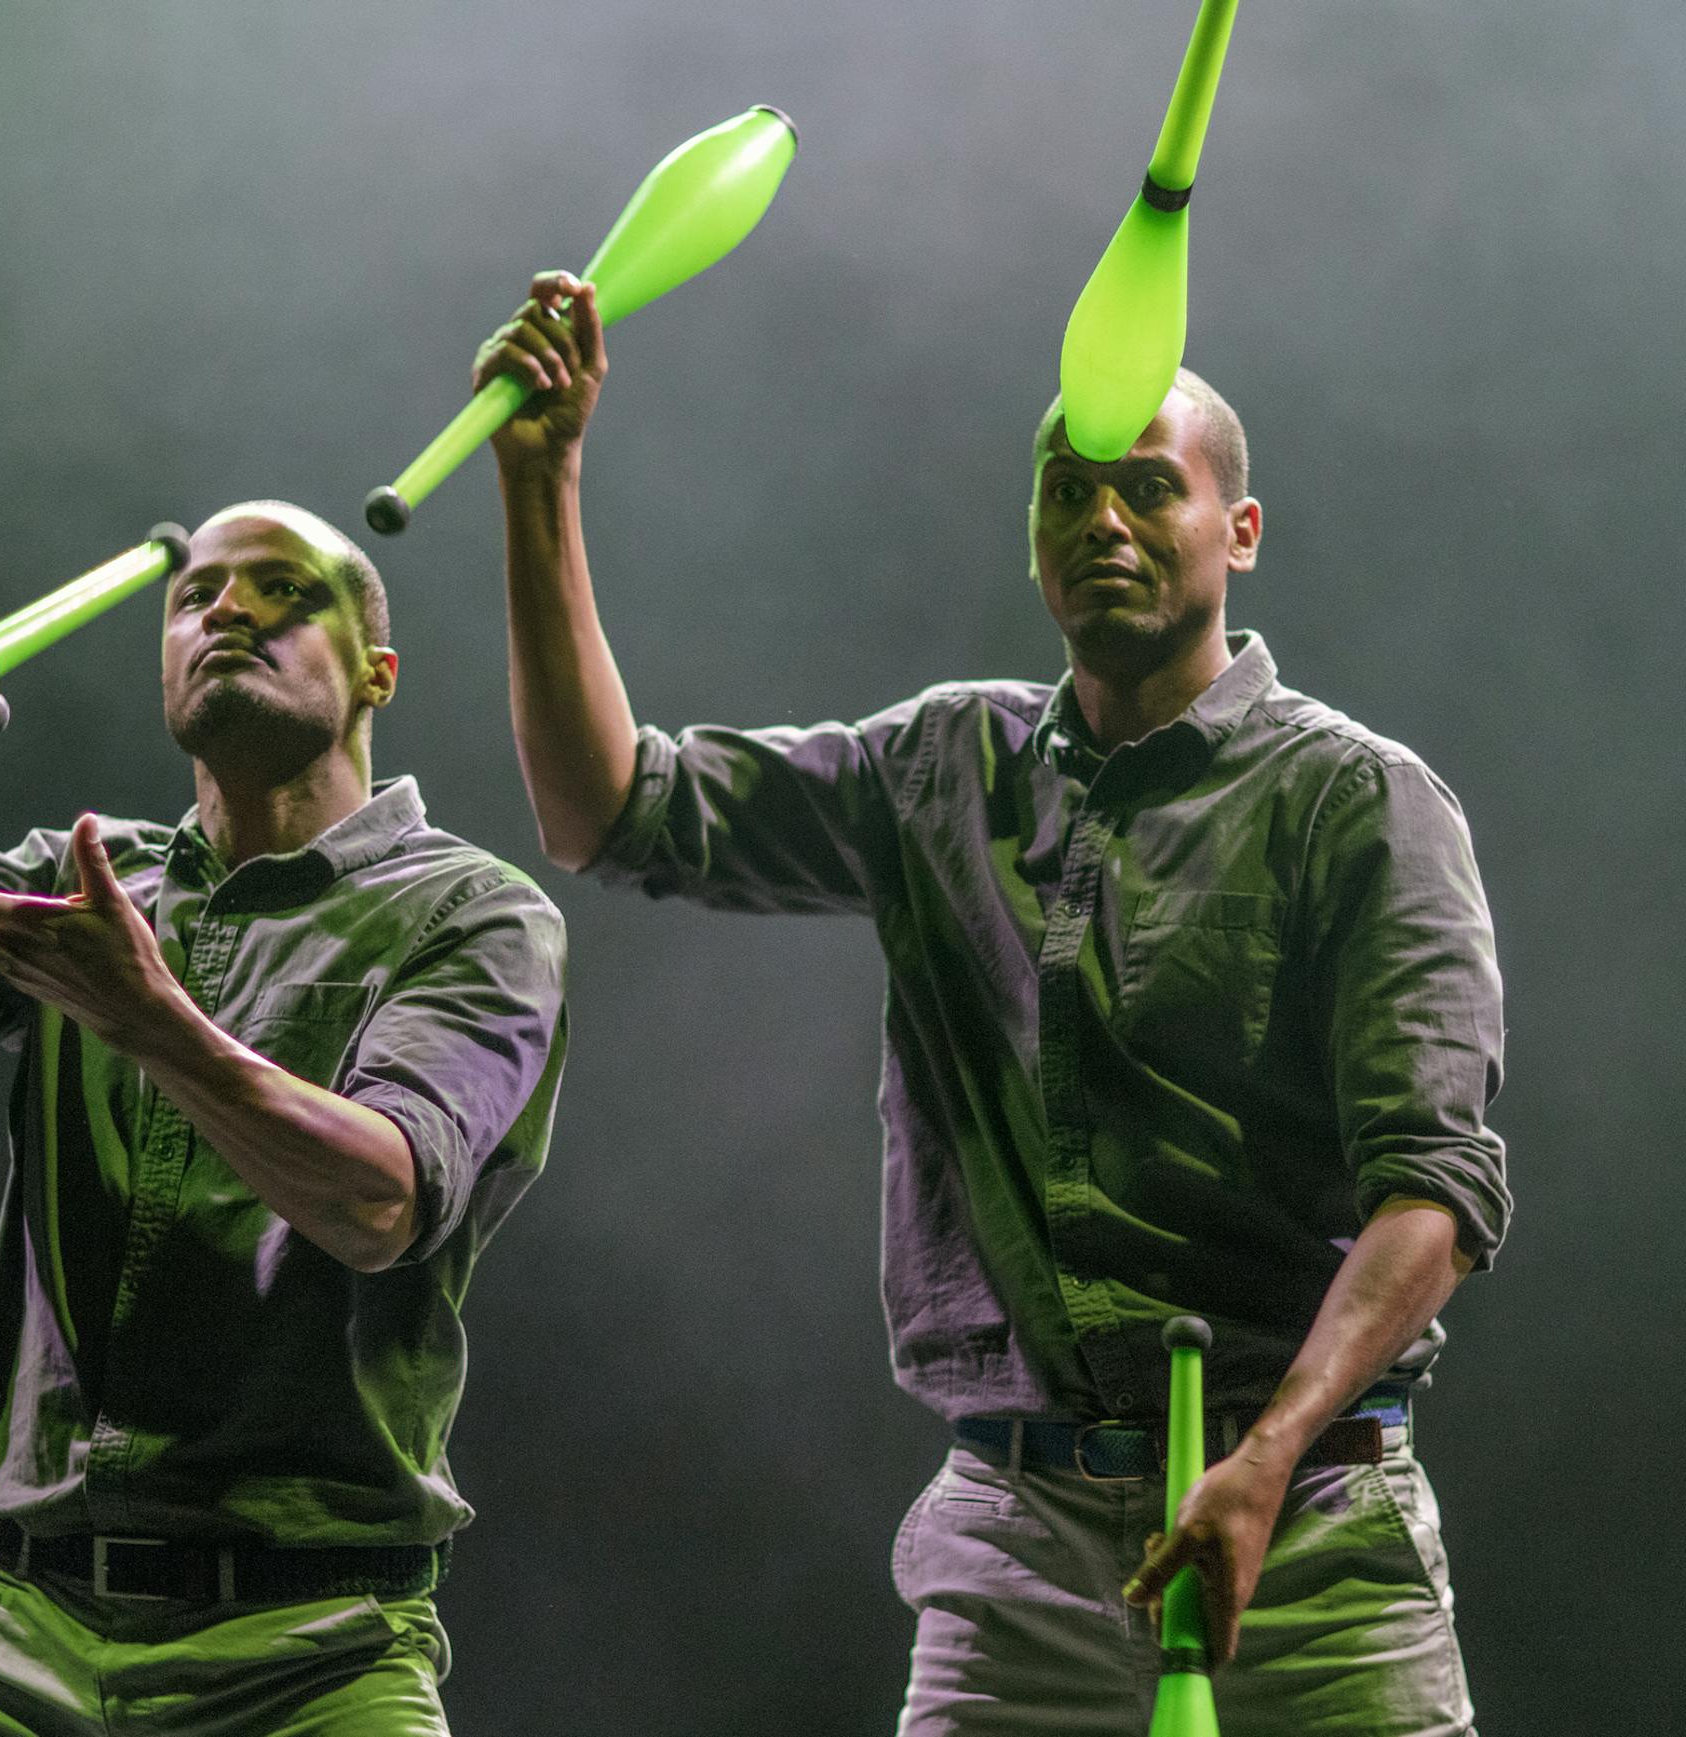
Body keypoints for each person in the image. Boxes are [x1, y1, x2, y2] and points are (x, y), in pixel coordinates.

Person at [475, 273, 1508, 1735]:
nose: (1104, 521)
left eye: (1151, 488)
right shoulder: (940, 768)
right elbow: (607, 812)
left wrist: (1263, 1459)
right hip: (1019, 1541)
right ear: (1032, 539)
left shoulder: (1359, 801)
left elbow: (1437, 1189)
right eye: (1068, 492)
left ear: (1240, 532)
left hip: (1315, 1529)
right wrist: (543, 477)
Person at [0, 407, 568, 1736]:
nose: (228, 610)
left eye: (285, 592)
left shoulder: (474, 913)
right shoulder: (87, 885)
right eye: (195, 597)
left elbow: (379, 1203)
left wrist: (153, 1022)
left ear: (379, 674)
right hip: (11, 1629)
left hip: (314, 1645)